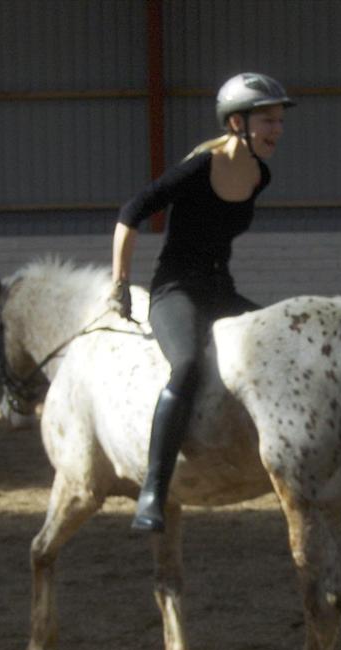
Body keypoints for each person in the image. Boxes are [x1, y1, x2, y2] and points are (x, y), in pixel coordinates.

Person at [111, 72, 294, 533]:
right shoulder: (199, 169)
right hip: (176, 290)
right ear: (236, 123)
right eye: (267, 121)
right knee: (188, 365)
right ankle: (153, 490)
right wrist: (120, 283)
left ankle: (301, 475)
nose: (277, 130)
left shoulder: (260, 175)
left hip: (220, 291)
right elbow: (131, 213)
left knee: (285, 349)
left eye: (278, 121)